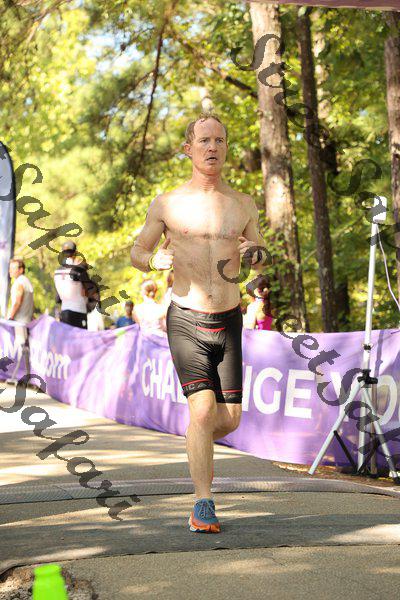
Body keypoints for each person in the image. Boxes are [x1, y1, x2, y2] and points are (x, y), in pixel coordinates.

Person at [130, 113, 266, 533]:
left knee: (229, 419)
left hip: (229, 319)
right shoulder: (168, 203)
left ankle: (195, 436)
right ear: (188, 148)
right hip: (186, 317)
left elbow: (261, 254)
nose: (212, 147)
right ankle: (203, 503)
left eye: (219, 140)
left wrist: (256, 253)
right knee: (203, 410)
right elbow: (137, 251)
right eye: (204, 140)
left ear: (226, 148)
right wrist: (153, 259)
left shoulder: (242, 203)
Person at [7, 258, 34, 378]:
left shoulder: (20, 282)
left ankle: (17, 376)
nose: (10, 271)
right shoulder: (26, 281)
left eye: (13, 268)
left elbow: (18, 302)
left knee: (21, 349)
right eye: (10, 268)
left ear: (21, 269)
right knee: (24, 349)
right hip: (26, 321)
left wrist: (10, 317)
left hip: (20, 321)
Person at [54, 241, 89, 329]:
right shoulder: (79, 270)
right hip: (79, 310)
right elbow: (88, 289)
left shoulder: (57, 272)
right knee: (81, 337)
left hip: (64, 311)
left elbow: (57, 298)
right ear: (75, 253)